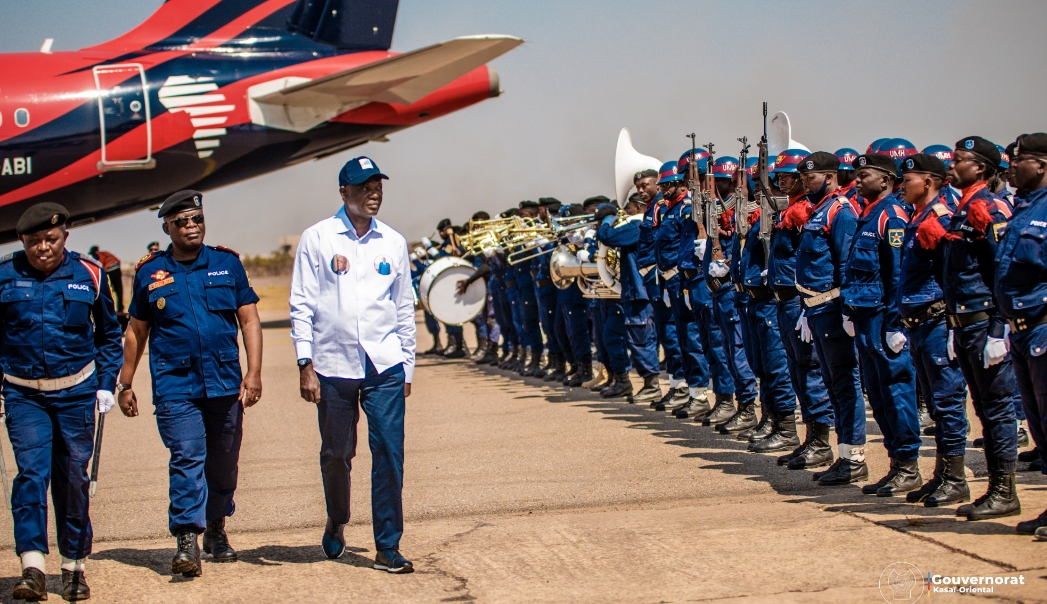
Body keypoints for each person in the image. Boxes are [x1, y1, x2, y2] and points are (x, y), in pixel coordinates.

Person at [118, 190, 263, 577]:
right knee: (187, 456)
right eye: (181, 221)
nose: (191, 227)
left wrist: (254, 372)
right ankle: (187, 538)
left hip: (224, 383)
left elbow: (249, 320)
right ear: (167, 227)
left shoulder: (227, 264)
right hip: (175, 385)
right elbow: (136, 330)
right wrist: (125, 383)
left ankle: (216, 527)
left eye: (196, 219)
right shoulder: (151, 272)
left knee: (224, 462)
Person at [290, 156, 416, 572]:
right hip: (332, 365)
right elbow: (302, 304)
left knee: (389, 453)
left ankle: (387, 545)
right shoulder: (318, 238)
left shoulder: (393, 242)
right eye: (364, 187)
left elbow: (403, 308)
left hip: (384, 367)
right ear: (344, 193)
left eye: (378, 185)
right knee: (335, 454)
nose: (373, 193)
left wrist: (408, 367)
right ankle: (337, 520)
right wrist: (305, 363)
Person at [1, 202, 122, 602]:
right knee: (31, 477)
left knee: (73, 480)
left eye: (50, 239)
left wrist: (107, 383)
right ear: (22, 241)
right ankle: (32, 567)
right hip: (24, 393)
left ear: (64, 237)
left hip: (76, 394)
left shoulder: (90, 273)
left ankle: (74, 567)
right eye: (34, 241)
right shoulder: (4, 275)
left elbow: (108, 335)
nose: (42, 248)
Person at [942, 137, 1021, 520]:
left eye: (960, 161)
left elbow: (1000, 272)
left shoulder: (986, 208)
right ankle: (996, 487)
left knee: (997, 407)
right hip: (964, 322)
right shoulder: (963, 206)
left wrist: (997, 329)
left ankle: (1004, 489)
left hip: (983, 320)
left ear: (982, 169)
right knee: (985, 409)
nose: (953, 166)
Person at [843, 153, 923, 496]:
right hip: (864, 316)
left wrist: (895, 324)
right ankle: (896, 465)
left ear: (886, 180)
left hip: (882, 318)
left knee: (896, 390)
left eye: (864, 175)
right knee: (877, 392)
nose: (857, 180)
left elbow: (897, 274)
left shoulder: (891, 215)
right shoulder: (867, 214)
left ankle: (908, 465)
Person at [895, 153, 971, 507]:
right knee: (936, 405)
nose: (902, 186)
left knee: (948, 401)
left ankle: (956, 478)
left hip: (938, 320)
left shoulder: (940, 217)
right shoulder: (918, 216)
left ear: (927, 182)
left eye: (908, 180)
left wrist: (955, 322)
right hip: (919, 323)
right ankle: (941, 474)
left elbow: (951, 274)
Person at [793, 152, 865, 485]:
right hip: (817, 309)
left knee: (845, 385)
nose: (806, 183)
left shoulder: (841, 212)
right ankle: (843, 455)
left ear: (831, 177)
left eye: (812, 178)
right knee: (833, 386)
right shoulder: (817, 211)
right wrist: (808, 309)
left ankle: (854, 458)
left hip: (835, 310)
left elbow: (846, 265)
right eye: (804, 178)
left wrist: (848, 310)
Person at [995, 133, 1047, 537]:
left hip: (1045, 325)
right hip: (1022, 330)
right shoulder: (1023, 209)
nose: (1012, 168)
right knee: (1039, 425)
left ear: (1042, 164)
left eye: (1021, 161)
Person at [766, 150, 833, 463]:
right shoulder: (790, 208)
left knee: (809, 369)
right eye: (779, 175)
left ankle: (820, 440)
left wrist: (809, 303)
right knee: (796, 369)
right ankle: (809, 437)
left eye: (789, 175)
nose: (782, 179)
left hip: (798, 299)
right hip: (784, 299)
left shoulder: (805, 210)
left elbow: (813, 259)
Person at [594, 197, 662, 400]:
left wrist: (607, 222)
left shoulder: (637, 224)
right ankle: (641, 383)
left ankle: (652, 385)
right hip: (633, 291)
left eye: (628, 207)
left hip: (638, 291)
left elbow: (607, 237)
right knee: (635, 338)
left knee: (642, 339)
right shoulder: (635, 224)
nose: (624, 211)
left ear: (639, 207)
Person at [88, 245, 123, 313]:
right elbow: (118, 260)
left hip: (109, 270)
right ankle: (120, 308)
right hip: (117, 268)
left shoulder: (98, 255)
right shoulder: (106, 253)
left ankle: (108, 307)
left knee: (107, 288)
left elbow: (99, 265)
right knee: (119, 289)